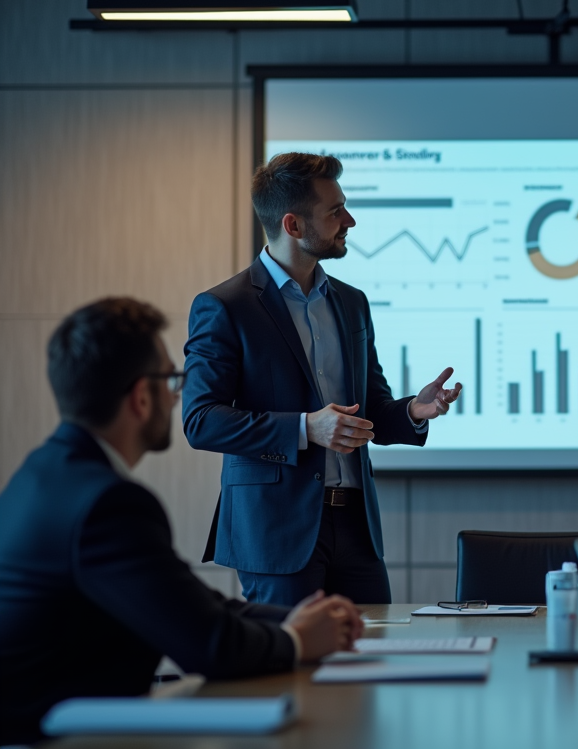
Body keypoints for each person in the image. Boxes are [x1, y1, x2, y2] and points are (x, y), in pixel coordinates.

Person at [0, 298, 362, 746]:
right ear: (141, 396)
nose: (177, 396)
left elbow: (192, 605)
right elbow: (209, 646)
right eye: (173, 380)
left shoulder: (41, 476)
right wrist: (297, 641)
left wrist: (299, 617)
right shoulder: (107, 504)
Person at [183, 152, 461, 607]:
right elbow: (201, 420)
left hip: (356, 528)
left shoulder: (351, 303)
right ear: (292, 225)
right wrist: (305, 428)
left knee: (373, 662)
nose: (349, 220)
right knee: (291, 670)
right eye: (335, 211)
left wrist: (413, 411)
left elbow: (368, 411)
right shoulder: (225, 306)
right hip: (276, 531)